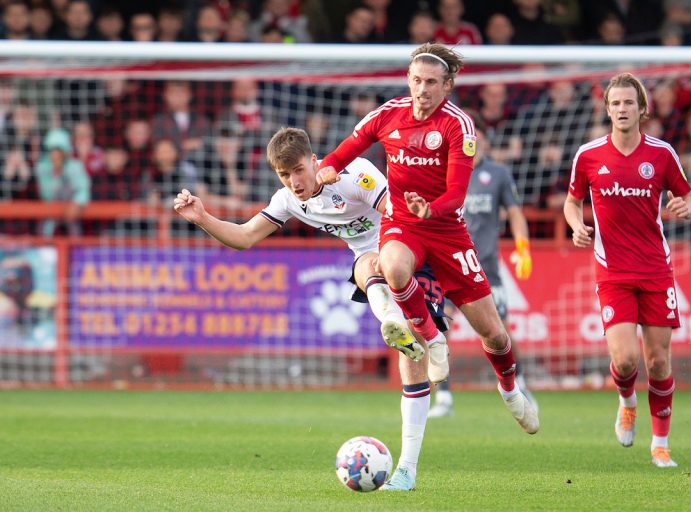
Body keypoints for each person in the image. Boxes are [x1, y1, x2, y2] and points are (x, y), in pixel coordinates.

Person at [316, 43, 540, 489]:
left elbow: (458, 192)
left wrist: (430, 208)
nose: (422, 90)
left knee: (493, 333)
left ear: (447, 85)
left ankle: (511, 388)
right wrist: (328, 166)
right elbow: (350, 145)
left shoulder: (458, 125)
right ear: (408, 80)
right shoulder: (388, 114)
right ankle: (433, 339)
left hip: (448, 230)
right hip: (403, 223)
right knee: (393, 267)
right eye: (416, 80)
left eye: (431, 82)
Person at [174, 126, 448, 490]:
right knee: (398, 332)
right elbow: (244, 237)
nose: (294, 181)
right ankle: (406, 471)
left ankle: (401, 322)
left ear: (314, 160)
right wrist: (203, 218)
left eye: (298, 170)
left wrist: (391, 255)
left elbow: (399, 216)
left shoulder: (355, 174)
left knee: (479, 331)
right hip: (372, 262)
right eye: (284, 174)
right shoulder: (287, 200)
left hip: (412, 246)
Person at [563, 72, 691, 468]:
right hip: (613, 271)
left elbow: (690, 198)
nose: (622, 109)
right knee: (625, 361)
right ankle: (627, 401)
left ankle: (661, 444)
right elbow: (572, 203)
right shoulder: (588, 155)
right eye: (615, 103)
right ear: (607, 109)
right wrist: (576, 226)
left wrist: (684, 207)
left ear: (643, 108)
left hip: (657, 270)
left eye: (628, 103)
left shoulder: (661, 154)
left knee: (658, 361)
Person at [428, 112, 536, 419]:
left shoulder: (498, 174)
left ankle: (521, 385)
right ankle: (444, 398)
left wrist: (523, 246)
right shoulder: (444, 173)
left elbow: (514, 213)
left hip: (484, 268)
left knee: (499, 333)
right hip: (446, 266)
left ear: (483, 142)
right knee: (438, 330)